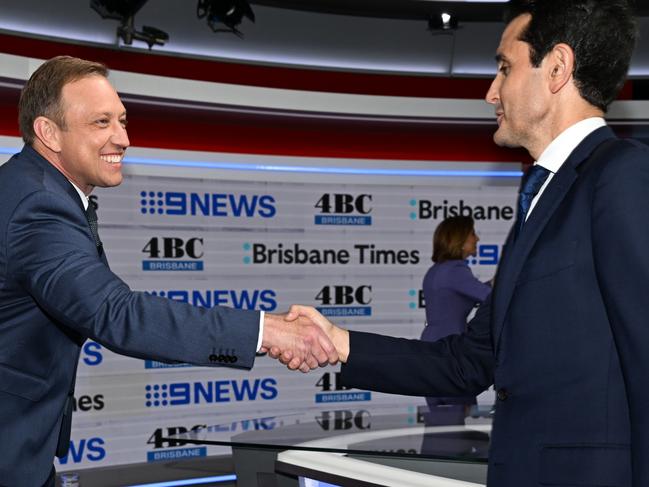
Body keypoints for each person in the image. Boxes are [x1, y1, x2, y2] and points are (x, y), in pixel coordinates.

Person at [286, 1, 649, 485]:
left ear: (557, 68)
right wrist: (337, 343)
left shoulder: (621, 176)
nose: (490, 92)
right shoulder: (543, 198)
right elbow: (467, 364)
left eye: (504, 68)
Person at [0, 56, 337, 487]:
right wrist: (267, 332)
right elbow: (116, 313)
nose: (122, 138)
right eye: (101, 122)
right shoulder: (38, 205)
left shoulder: (33, 188)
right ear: (49, 133)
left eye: (122, 121)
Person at [421, 216, 490, 422]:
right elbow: (489, 297)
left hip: (432, 349)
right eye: (472, 234)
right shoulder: (456, 271)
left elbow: (474, 292)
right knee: (458, 425)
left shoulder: (438, 270)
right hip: (451, 352)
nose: (477, 239)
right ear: (459, 239)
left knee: (441, 424)